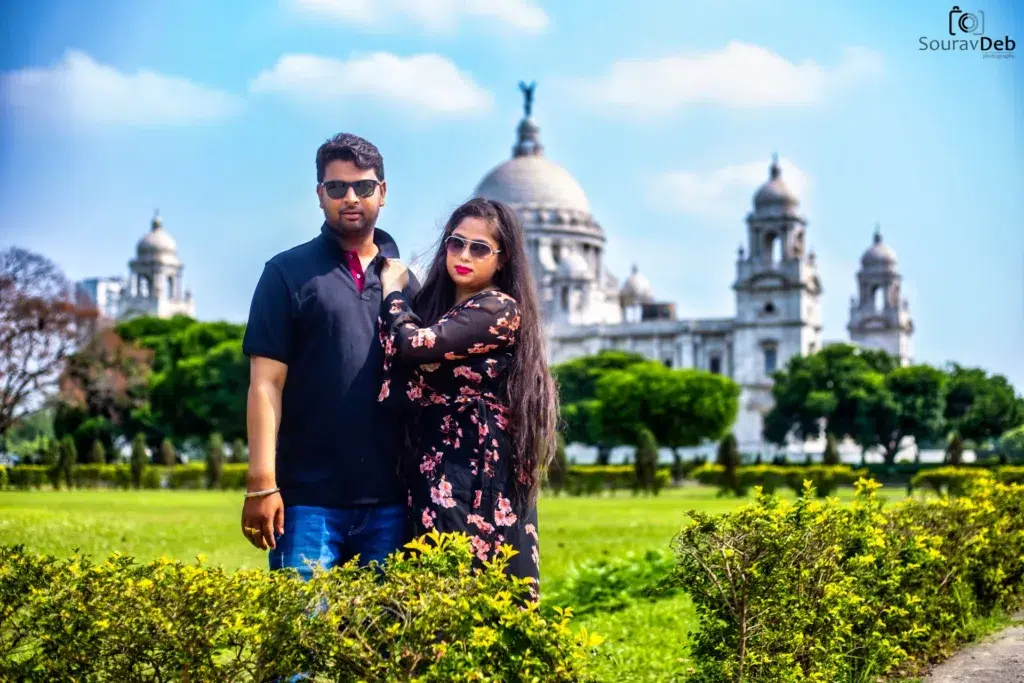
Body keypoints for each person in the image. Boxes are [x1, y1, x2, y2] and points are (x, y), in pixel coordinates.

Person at [240, 133, 420, 579]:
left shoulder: (407, 285)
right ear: (320, 195)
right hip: (307, 503)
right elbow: (266, 383)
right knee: (305, 643)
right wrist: (262, 483)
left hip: (392, 503)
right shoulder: (286, 273)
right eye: (336, 187)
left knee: (381, 644)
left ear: (383, 191)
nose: (350, 197)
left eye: (363, 186)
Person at [376, 197, 558, 598]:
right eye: (456, 243)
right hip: (434, 460)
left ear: (502, 258)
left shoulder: (498, 309)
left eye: (480, 249)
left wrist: (392, 292)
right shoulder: (440, 308)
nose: (464, 256)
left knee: (473, 586)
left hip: (476, 470)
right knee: (434, 585)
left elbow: (413, 345)